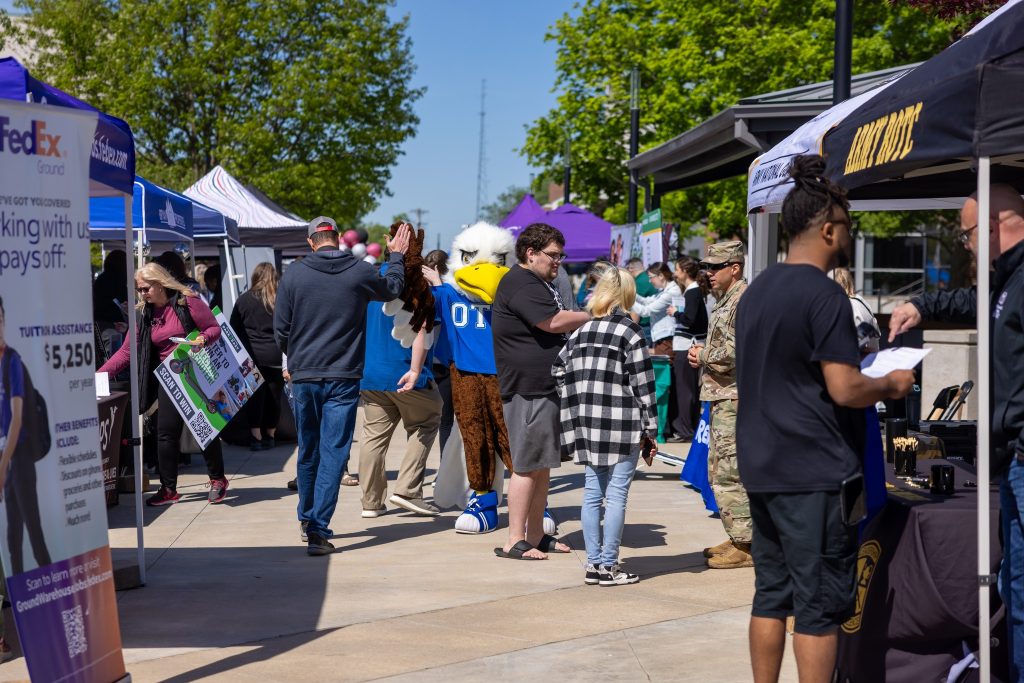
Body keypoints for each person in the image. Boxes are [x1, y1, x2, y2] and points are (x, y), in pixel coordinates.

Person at [736, 155, 915, 683]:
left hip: (762, 466)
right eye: (848, 228)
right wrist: (890, 383)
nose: (849, 237)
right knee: (818, 607)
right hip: (812, 472)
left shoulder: (756, 292)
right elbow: (845, 387)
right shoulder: (825, 297)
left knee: (771, 595)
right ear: (829, 228)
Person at [888, 183, 1024, 680]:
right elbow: (976, 301)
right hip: (1009, 461)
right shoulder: (1006, 279)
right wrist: (922, 306)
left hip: (1021, 461)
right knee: (1015, 588)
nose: (967, 248)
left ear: (991, 227)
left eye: (967, 237)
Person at [274, 216, 410, 556]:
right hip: (344, 375)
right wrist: (396, 257)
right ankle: (318, 527)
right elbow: (392, 288)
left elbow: (281, 328)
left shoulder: (294, 274)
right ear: (337, 238)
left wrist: (299, 356)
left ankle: (308, 520)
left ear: (311, 242)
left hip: (305, 374)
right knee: (333, 451)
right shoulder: (359, 270)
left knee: (309, 449)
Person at [553, 267, 658, 585]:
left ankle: (593, 565)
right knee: (616, 497)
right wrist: (650, 429)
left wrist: (579, 399)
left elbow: (558, 371)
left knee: (591, 495)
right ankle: (609, 567)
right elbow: (643, 385)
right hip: (622, 424)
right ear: (625, 293)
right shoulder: (629, 331)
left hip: (588, 425)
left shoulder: (581, 331)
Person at [492, 223, 590, 560]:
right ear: (530, 253)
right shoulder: (520, 282)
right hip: (527, 388)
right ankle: (514, 539)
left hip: (544, 385)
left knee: (542, 465)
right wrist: (595, 315)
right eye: (552, 255)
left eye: (561, 256)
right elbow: (552, 322)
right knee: (525, 465)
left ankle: (536, 535)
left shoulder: (537, 282)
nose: (558, 261)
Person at [99, 263, 229, 506]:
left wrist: (203, 338)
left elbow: (213, 327)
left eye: (145, 288)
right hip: (169, 378)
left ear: (160, 284)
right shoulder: (143, 314)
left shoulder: (187, 302)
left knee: (203, 428)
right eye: (139, 290)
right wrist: (99, 375)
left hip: (195, 369)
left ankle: (218, 479)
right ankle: (169, 488)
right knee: (165, 433)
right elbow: (127, 353)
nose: (142, 294)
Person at [687, 240, 752, 569]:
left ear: (735, 268)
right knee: (721, 470)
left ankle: (746, 545)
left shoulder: (744, 300)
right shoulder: (727, 299)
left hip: (734, 397)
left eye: (715, 267)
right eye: (707, 267)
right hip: (721, 395)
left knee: (729, 472)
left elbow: (742, 351)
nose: (708, 273)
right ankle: (738, 535)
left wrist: (703, 355)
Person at [358, 279, 442, 519]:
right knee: (426, 421)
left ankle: (371, 502)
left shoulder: (369, 285)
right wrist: (416, 369)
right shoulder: (415, 286)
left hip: (371, 373)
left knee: (373, 437)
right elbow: (423, 327)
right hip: (405, 371)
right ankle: (408, 490)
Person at [0, 297, 52, 574]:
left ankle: (51, 585)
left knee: (32, 526)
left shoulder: (12, 362)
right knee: (12, 534)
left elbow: (17, 418)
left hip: (17, 456)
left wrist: (3, 466)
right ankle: (14, 591)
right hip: (6, 457)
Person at [230, 262, 284, 451]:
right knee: (274, 396)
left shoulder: (244, 299)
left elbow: (233, 328)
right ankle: (270, 434)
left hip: (251, 355)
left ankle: (256, 436)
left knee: (255, 397)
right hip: (276, 355)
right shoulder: (279, 299)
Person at [665, 258, 709, 442]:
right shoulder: (694, 292)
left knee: (685, 390)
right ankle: (687, 428)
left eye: (676, 269)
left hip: (687, 345)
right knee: (688, 389)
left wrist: (675, 313)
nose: (675, 274)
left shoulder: (692, 292)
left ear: (685, 271)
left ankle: (685, 430)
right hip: (691, 344)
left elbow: (689, 319)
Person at [423, 249, 455, 456]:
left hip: (426, 362)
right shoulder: (451, 293)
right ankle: (443, 471)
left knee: (421, 424)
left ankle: (417, 473)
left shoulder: (422, 293)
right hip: (441, 361)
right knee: (445, 421)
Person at [631, 262, 680, 356]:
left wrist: (627, 299)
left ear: (661, 275)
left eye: (651, 277)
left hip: (667, 339)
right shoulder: (664, 291)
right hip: (662, 338)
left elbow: (646, 311)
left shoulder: (672, 292)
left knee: (664, 369)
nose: (649, 281)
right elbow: (646, 301)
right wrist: (630, 293)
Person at [829, 267, 880, 354]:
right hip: (869, 358)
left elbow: (856, 342)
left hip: (859, 361)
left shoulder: (849, 305)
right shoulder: (861, 301)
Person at [92, 249, 128, 360]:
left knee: (108, 356)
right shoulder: (119, 278)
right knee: (114, 357)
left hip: (102, 323)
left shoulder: (101, 278)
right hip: (114, 325)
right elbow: (123, 300)